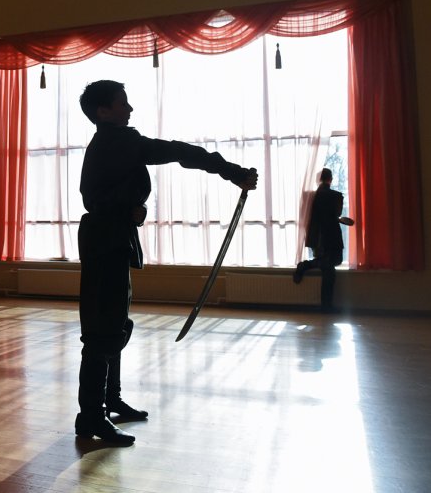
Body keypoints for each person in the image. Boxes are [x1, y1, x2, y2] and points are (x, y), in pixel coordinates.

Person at [75, 80, 258, 445]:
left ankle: (109, 402)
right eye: (122, 103)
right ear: (103, 112)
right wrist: (231, 171)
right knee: (103, 330)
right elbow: (177, 151)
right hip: (105, 241)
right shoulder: (116, 140)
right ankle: (91, 416)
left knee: (114, 323)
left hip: (111, 238)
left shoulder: (111, 143)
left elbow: (103, 196)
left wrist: (130, 210)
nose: (130, 109)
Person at [293, 168, 353, 309]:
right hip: (331, 236)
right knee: (332, 264)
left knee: (328, 267)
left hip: (317, 236)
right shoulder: (336, 196)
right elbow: (335, 214)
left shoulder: (309, 196)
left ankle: (326, 305)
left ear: (317, 180)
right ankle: (326, 305)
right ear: (330, 179)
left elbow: (314, 216)